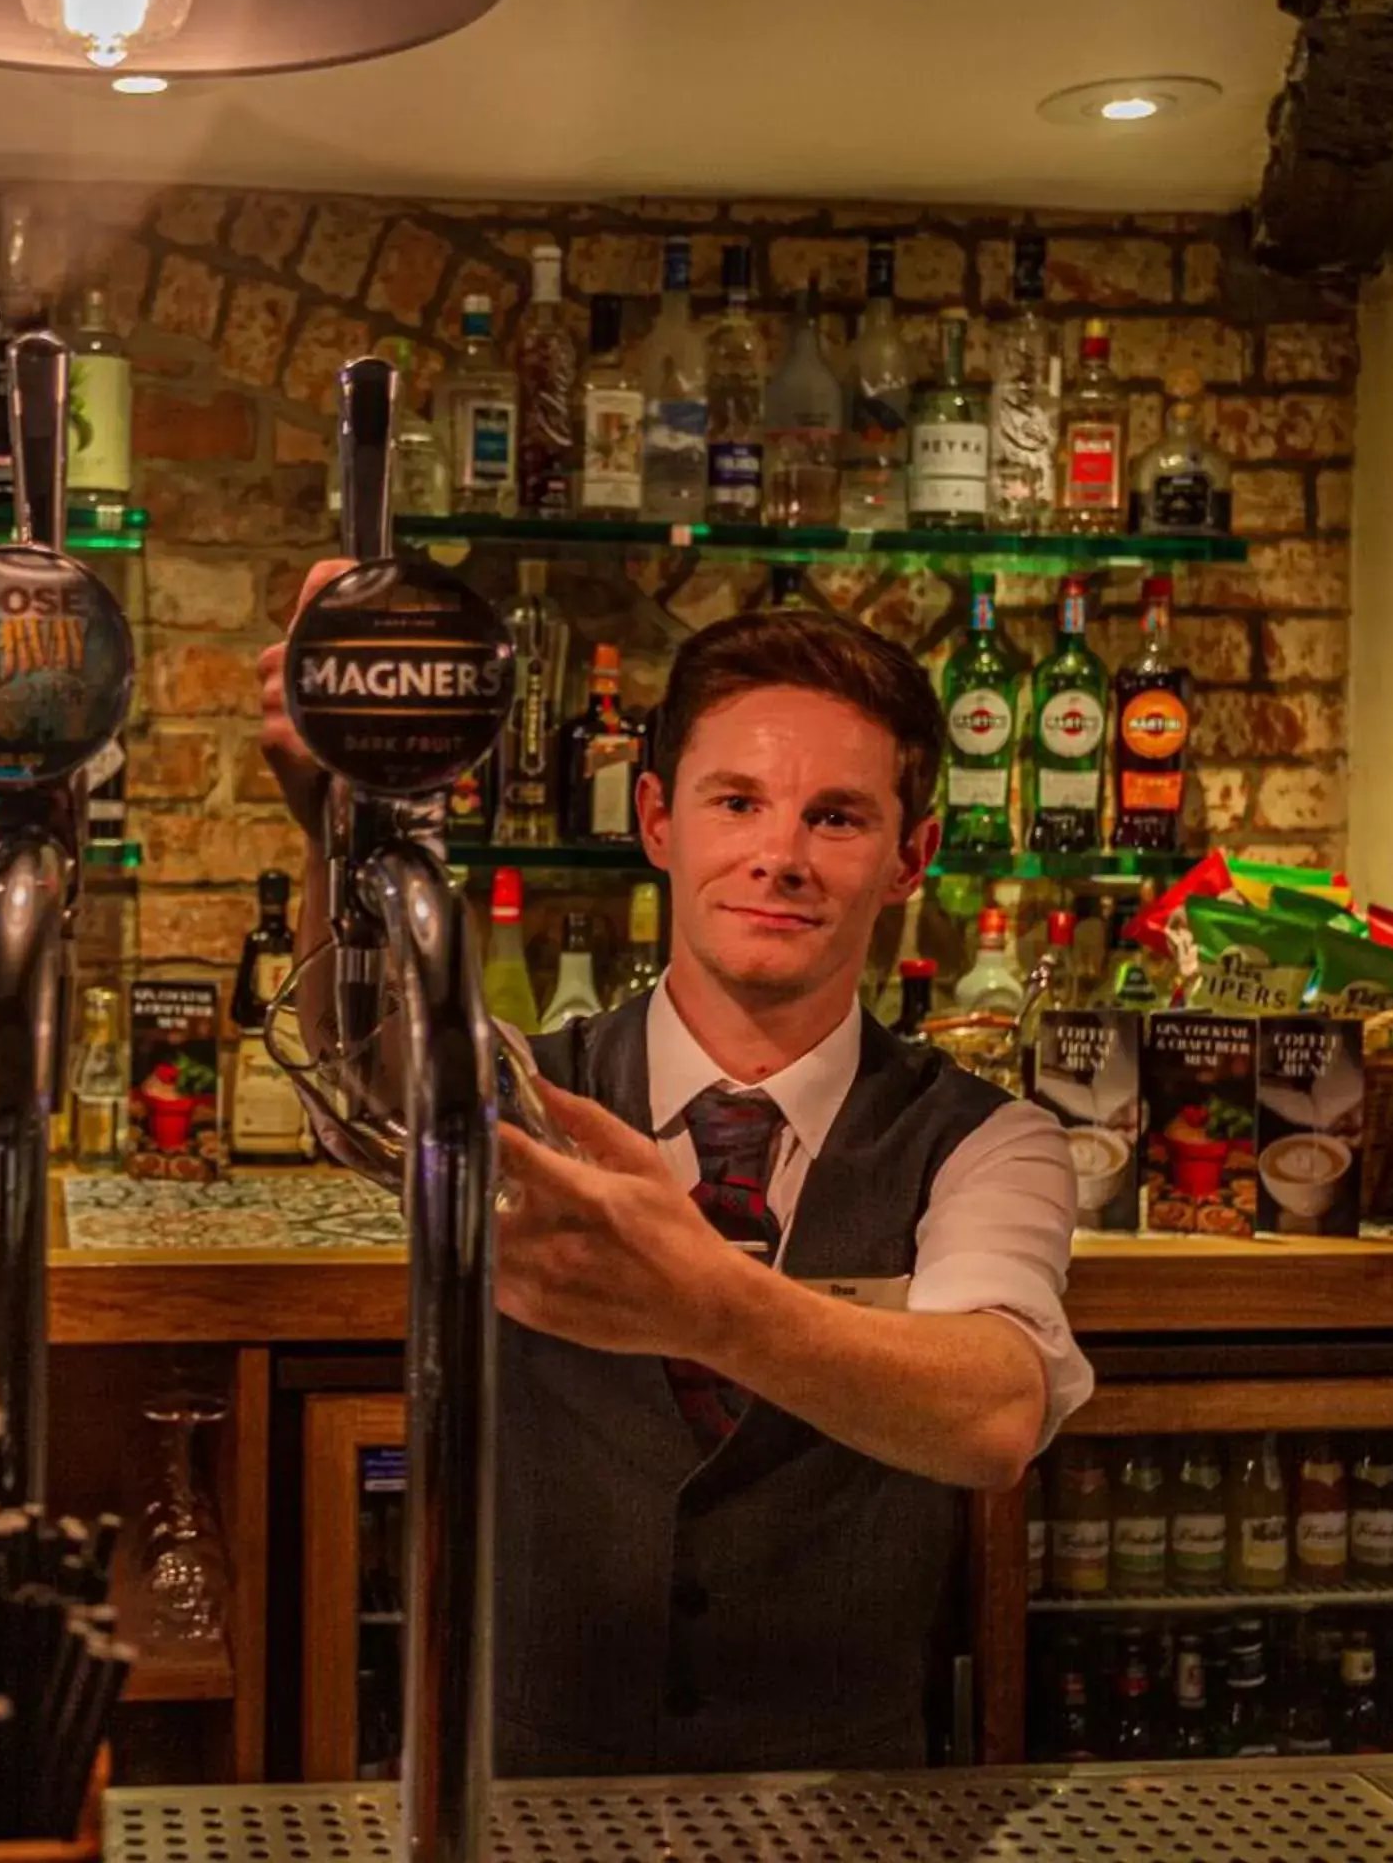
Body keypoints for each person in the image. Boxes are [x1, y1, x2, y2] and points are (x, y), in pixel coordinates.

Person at [257, 573, 1090, 1777]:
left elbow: (995, 1411)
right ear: (657, 820)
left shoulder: (984, 1140)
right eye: (737, 800)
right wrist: (335, 832)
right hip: (527, 1801)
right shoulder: (522, 1096)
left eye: (838, 817)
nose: (780, 855)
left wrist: (705, 1300)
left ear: (912, 856)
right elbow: (354, 1064)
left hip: (849, 1819)